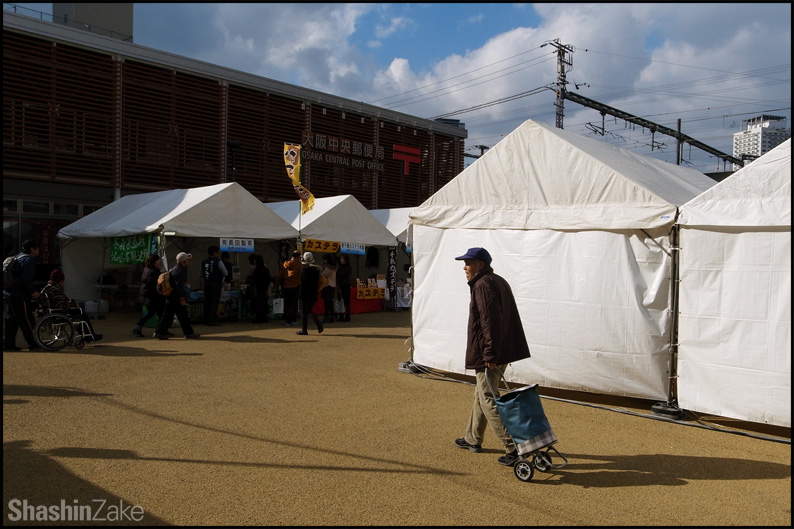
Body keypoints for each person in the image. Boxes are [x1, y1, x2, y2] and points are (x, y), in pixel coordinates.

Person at [453, 247, 530, 467]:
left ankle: (513, 446)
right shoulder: (498, 280)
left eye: (469, 262)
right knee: (481, 393)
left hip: (491, 353)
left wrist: (489, 353)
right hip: (501, 350)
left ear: (481, 265)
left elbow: (490, 321)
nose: (465, 267)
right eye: (465, 262)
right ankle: (472, 438)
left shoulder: (483, 284)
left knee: (488, 397)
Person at [40, 269, 102, 342]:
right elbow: (61, 305)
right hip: (58, 314)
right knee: (81, 313)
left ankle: (87, 335)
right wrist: (74, 304)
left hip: (51, 313)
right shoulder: (55, 289)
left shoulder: (46, 288)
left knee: (78, 313)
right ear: (61, 281)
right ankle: (89, 335)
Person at [3, 239, 42, 351]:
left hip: (8, 293)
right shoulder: (29, 260)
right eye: (37, 248)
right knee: (26, 319)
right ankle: (33, 344)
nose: (38, 250)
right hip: (19, 295)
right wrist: (32, 292)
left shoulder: (16, 257)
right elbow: (26, 279)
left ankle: (8, 344)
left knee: (11, 320)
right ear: (32, 249)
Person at [154, 252, 200, 340]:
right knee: (178, 316)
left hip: (171, 296)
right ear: (183, 261)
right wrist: (182, 298)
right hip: (176, 297)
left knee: (171, 315)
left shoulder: (175, 268)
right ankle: (188, 333)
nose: (189, 261)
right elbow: (178, 287)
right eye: (187, 259)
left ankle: (160, 332)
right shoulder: (181, 271)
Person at [132, 253, 167, 337]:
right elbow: (154, 283)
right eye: (158, 260)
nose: (160, 261)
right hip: (151, 296)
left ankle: (162, 330)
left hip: (149, 296)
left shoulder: (148, 269)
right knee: (154, 313)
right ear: (154, 262)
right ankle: (160, 330)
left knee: (154, 313)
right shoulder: (152, 272)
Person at [296, 252, 323, 336]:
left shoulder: (304, 271)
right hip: (313, 293)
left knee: (305, 312)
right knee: (309, 310)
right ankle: (318, 323)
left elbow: (302, 282)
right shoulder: (315, 271)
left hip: (305, 294)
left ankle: (304, 329)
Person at [201, 245, 228, 326]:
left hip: (207, 284)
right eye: (218, 252)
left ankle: (205, 319)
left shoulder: (204, 262)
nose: (219, 254)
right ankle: (211, 320)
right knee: (214, 302)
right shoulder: (219, 262)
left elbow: (200, 274)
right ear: (215, 253)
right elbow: (225, 273)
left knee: (207, 302)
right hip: (216, 285)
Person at [277, 250, 302, 327]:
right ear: (298, 257)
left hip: (286, 286)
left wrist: (276, 285)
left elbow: (279, 276)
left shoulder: (285, 264)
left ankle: (288, 320)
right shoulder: (298, 265)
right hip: (295, 286)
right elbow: (301, 275)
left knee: (287, 304)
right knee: (293, 304)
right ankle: (292, 320)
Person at [246, 253, 272, 324]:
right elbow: (269, 279)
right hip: (264, 289)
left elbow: (254, 280)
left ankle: (259, 318)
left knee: (258, 303)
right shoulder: (266, 269)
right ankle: (264, 317)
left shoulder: (257, 269)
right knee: (264, 303)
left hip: (258, 289)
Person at [319, 254, 337, 323]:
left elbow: (322, 275)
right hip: (332, 285)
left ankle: (326, 317)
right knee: (330, 302)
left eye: (325, 259)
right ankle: (332, 316)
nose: (324, 261)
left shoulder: (328, 268)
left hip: (327, 286)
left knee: (327, 303)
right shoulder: (334, 267)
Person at [335, 254, 352, 322]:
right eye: (340, 259)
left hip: (346, 286)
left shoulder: (348, 268)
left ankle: (347, 315)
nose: (341, 260)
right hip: (340, 286)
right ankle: (341, 315)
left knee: (346, 301)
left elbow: (346, 277)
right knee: (340, 301)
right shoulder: (339, 267)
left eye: (342, 259)